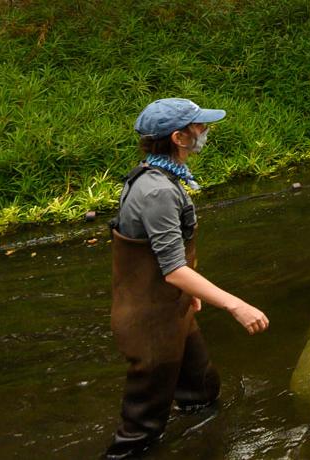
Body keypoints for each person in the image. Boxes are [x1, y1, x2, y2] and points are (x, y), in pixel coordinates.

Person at [104, 97, 269, 459]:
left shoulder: (157, 175)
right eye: (200, 127)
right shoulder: (159, 192)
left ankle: (204, 446)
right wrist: (235, 305)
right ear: (179, 138)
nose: (205, 132)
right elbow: (173, 270)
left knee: (201, 391)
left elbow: (170, 262)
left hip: (170, 307)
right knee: (138, 434)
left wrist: (188, 293)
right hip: (150, 324)